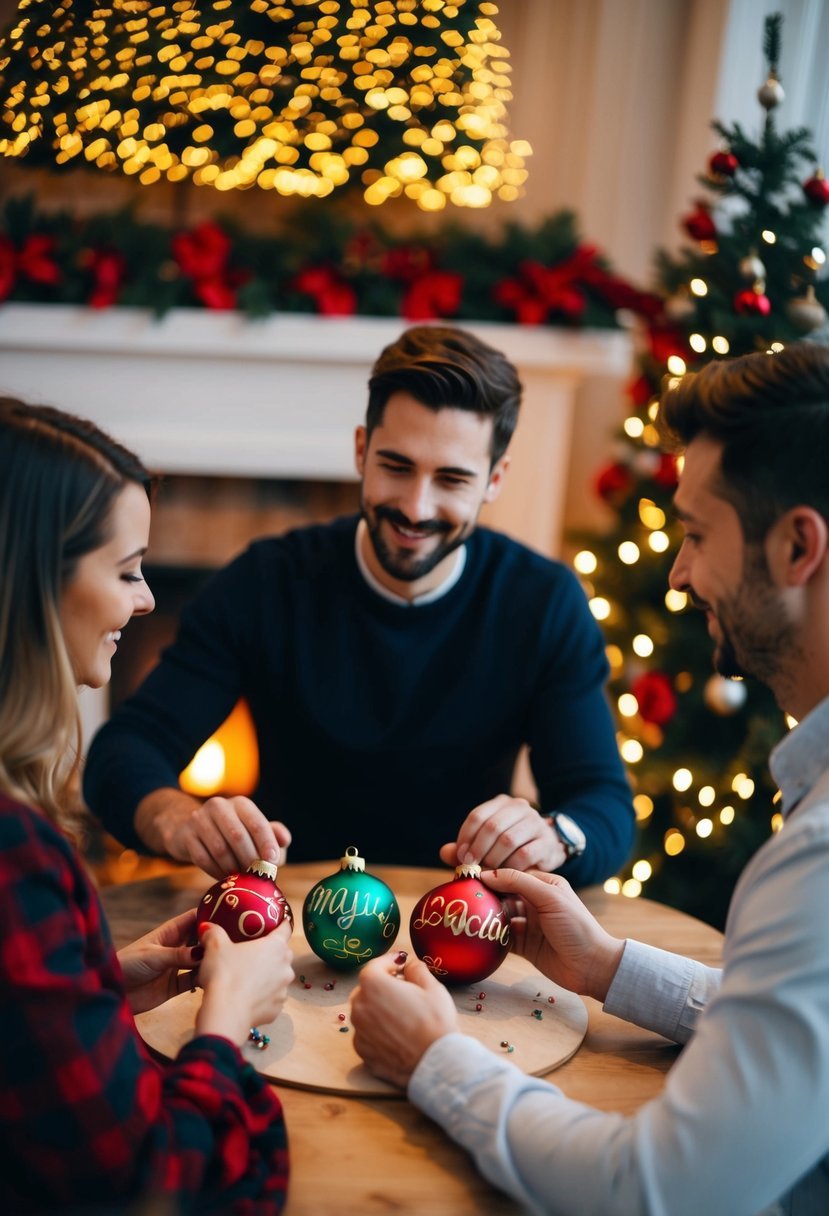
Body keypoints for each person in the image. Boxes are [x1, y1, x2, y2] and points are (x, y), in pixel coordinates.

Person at [349, 342, 829, 1216]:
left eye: (694, 535)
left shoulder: (818, 863)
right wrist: (609, 967)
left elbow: (651, 1192)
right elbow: (803, 1025)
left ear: (798, 545)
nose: (678, 574)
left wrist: (431, 1060)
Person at [84, 325, 634, 883]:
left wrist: (558, 836)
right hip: (284, 913)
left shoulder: (543, 601)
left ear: (494, 480)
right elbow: (124, 750)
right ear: (361, 451)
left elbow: (603, 802)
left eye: (451, 479)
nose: (417, 508)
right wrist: (176, 818)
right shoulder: (267, 580)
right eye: (397, 467)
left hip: (462, 918)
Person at [0, 398, 294, 1213]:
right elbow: (148, 1185)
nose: (145, 602)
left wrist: (97, 979)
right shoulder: (14, 853)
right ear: (34, 581)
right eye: (127, 570)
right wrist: (227, 1016)